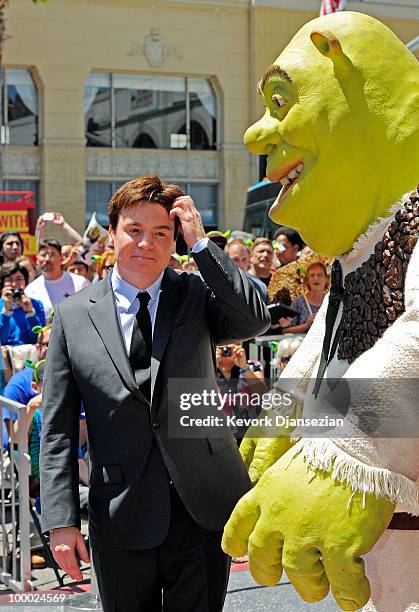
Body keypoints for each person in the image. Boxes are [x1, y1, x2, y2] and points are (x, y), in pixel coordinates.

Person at [40, 174, 270, 612]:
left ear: (175, 240)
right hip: (120, 512)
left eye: (161, 233)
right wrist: (61, 520)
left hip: (202, 504)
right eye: (134, 230)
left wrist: (201, 244)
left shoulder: (196, 295)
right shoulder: (72, 317)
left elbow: (253, 319)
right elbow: (57, 430)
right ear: (112, 234)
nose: (146, 243)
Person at [25, 239, 90, 321]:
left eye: (52, 254)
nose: (47, 259)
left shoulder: (80, 283)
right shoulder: (30, 290)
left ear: (61, 258)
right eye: (43, 255)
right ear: (37, 260)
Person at [0, 262, 46, 345]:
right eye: (9, 280)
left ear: (26, 282)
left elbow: (39, 339)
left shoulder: (36, 304)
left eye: (19, 279)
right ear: (3, 283)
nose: (14, 284)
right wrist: (6, 311)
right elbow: (1, 340)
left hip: (29, 354)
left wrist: (30, 313)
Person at [282, 262, 328, 335]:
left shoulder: (331, 301)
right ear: (308, 280)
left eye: (319, 275)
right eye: (312, 275)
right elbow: (285, 330)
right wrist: (306, 325)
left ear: (326, 279)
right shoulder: (299, 302)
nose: (316, 278)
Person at [226, 239, 268, 303]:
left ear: (249, 260)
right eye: (235, 259)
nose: (240, 265)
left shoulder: (261, 288)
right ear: (225, 259)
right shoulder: (216, 283)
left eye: (244, 259)